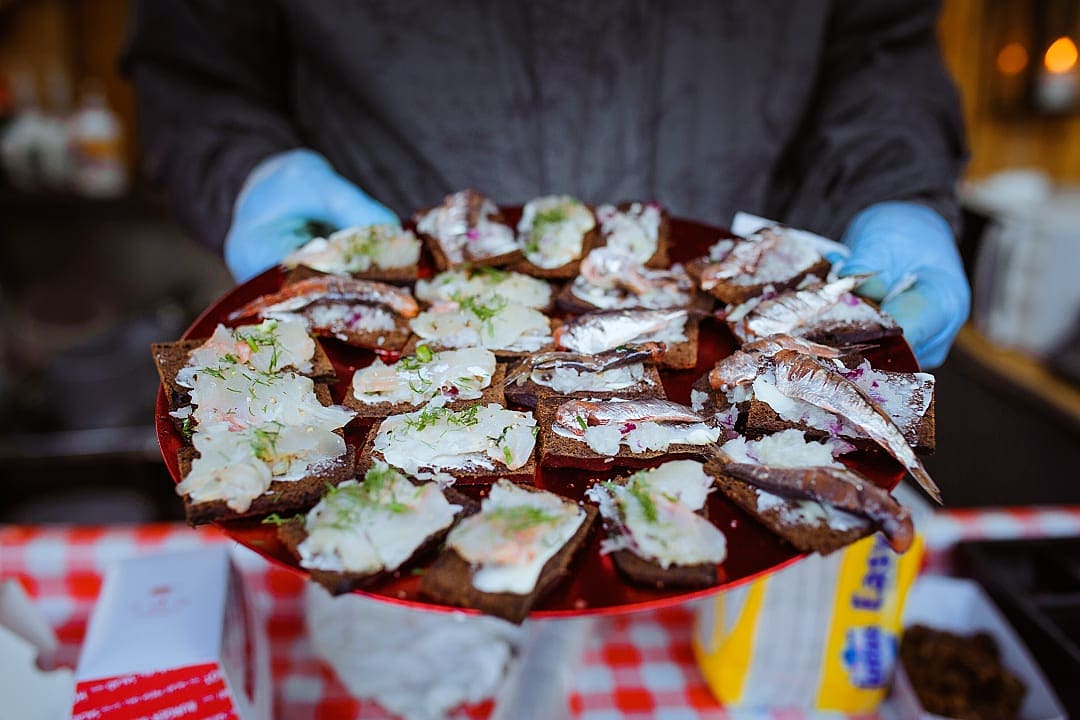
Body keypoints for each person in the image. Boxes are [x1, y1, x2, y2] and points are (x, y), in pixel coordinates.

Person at [124, 0, 970, 368]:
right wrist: (248, 170)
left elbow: (877, 49)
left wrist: (896, 190)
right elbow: (195, 64)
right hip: (388, 341)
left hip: (736, 343)